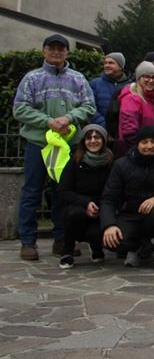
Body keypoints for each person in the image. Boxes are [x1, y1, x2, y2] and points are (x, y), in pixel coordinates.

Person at [13, 34, 96, 261]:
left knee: (63, 194)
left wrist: (68, 118)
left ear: (67, 52)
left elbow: (89, 106)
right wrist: (48, 121)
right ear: (44, 51)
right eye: (52, 48)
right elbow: (20, 109)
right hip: (39, 145)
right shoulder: (32, 78)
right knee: (32, 192)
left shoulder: (78, 79)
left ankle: (62, 240)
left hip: (67, 147)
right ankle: (28, 242)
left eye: (61, 49)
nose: (56, 52)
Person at [100, 126, 154, 274]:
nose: (149, 146)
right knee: (112, 241)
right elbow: (108, 198)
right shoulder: (121, 164)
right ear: (137, 144)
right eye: (144, 142)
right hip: (129, 215)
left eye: (153, 142)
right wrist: (109, 225)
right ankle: (137, 247)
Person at [56, 124, 113, 269]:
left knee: (95, 232)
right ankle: (67, 251)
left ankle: (96, 247)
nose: (93, 141)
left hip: (102, 207)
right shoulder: (74, 162)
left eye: (97, 137)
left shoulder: (111, 162)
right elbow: (63, 191)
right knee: (75, 214)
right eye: (89, 138)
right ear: (83, 141)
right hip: (77, 207)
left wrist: (100, 206)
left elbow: (114, 190)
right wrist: (86, 203)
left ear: (103, 140)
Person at [117, 62, 154, 155]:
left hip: (149, 149)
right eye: (146, 77)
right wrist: (137, 151)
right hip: (135, 151)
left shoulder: (153, 100)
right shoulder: (131, 98)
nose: (151, 80)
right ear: (138, 78)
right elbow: (129, 130)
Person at [89, 52, 129, 131]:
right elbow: (91, 107)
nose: (107, 65)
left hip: (123, 131)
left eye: (111, 63)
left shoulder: (130, 86)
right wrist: (104, 125)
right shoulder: (95, 83)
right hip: (100, 130)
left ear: (121, 67)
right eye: (105, 63)